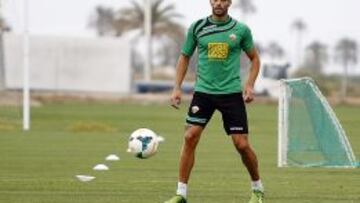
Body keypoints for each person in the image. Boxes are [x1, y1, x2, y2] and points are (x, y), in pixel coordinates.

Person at [165, 0, 264, 202]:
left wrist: (249, 85)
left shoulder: (241, 30)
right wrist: (177, 88)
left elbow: (255, 59)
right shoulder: (197, 27)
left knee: (242, 145)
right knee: (190, 136)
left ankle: (257, 188)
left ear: (229, 2)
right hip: (204, 92)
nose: (218, 3)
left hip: (231, 94)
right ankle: (181, 194)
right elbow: (184, 56)